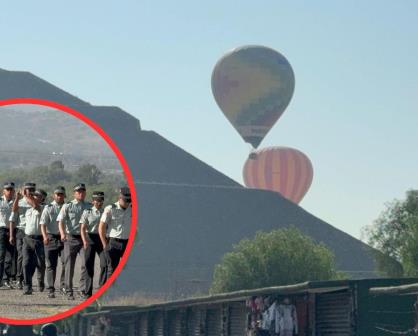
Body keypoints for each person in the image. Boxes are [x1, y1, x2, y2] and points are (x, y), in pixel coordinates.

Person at [58, 183, 90, 300]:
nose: (81, 193)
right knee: (69, 266)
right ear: (74, 193)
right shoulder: (68, 205)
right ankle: (68, 290)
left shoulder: (89, 206)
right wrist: (62, 233)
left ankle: (82, 290)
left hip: (84, 239)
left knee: (85, 264)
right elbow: (60, 221)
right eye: (78, 191)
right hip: (70, 238)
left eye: (83, 191)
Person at [9, 182, 37, 290]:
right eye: (28, 189)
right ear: (24, 190)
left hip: (33, 233)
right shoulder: (19, 202)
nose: (30, 191)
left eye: (32, 189)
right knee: (22, 255)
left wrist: (29, 197)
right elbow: (13, 213)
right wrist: (19, 198)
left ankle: (27, 279)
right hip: (21, 231)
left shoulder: (36, 202)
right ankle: (19, 279)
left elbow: (35, 206)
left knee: (33, 259)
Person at [99, 187, 132, 280]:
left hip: (127, 242)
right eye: (126, 201)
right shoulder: (110, 208)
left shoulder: (133, 208)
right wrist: (105, 244)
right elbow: (101, 227)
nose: (128, 203)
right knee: (112, 269)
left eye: (129, 201)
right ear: (120, 198)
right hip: (114, 242)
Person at [40, 186, 66, 298]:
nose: (59, 196)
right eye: (57, 194)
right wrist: (45, 236)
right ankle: (51, 289)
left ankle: (64, 286)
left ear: (64, 195)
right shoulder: (48, 208)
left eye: (61, 194)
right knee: (51, 265)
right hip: (51, 237)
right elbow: (43, 224)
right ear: (53, 195)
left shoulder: (68, 207)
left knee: (66, 263)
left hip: (64, 238)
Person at [80, 191, 105, 298]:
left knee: (105, 264)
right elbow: (82, 228)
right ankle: (87, 292)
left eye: (101, 200)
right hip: (90, 237)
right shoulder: (88, 212)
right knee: (88, 266)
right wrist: (84, 241)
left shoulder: (105, 212)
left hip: (101, 238)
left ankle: (102, 289)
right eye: (97, 200)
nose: (99, 203)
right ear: (93, 201)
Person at [21, 189, 46, 295]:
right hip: (27, 239)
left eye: (37, 195)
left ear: (42, 198)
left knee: (40, 264)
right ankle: (27, 286)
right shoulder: (28, 209)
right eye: (34, 195)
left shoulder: (44, 208)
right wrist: (20, 197)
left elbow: (35, 205)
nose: (35, 197)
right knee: (26, 263)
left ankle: (40, 281)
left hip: (39, 239)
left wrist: (26, 195)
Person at [0, 182, 16, 288]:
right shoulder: (0, 201)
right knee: (1, 255)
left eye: (11, 190)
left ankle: (6, 279)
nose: (9, 191)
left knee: (10, 257)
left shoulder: (16, 202)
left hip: (12, 231)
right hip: (1, 230)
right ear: (3, 191)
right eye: (7, 189)